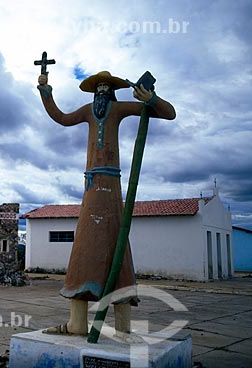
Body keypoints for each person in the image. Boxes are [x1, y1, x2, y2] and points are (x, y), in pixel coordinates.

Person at [37, 70, 176, 339]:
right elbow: (62, 117)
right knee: (84, 247)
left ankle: (123, 325)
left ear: (112, 91)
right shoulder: (89, 111)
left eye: (105, 87)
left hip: (112, 184)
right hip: (91, 184)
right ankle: (77, 323)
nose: (101, 92)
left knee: (117, 247)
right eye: (97, 88)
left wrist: (152, 99)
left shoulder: (120, 108)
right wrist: (45, 91)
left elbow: (168, 113)